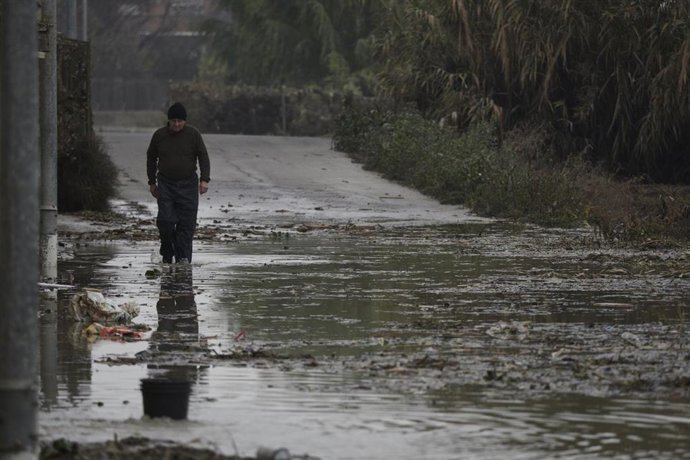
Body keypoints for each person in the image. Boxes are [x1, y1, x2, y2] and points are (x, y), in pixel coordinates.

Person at [147, 102, 210, 263]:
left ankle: (184, 264)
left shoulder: (193, 135)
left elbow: (203, 156)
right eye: (173, 121)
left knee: (186, 226)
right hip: (166, 184)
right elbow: (151, 158)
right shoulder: (159, 135)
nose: (176, 124)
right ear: (168, 120)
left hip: (188, 184)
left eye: (179, 121)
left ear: (185, 121)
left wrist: (204, 179)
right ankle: (167, 249)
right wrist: (152, 182)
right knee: (166, 221)